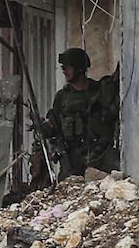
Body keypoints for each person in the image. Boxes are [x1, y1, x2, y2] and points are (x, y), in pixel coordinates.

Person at [43, 47, 119, 178]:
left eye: (67, 68)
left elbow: (110, 119)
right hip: (72, 158)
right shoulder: (62, 97)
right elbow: (55, 128)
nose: (64, 71)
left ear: (79, 68)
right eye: (63, 68)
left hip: (99, 155)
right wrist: (44, 129)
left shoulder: (99, 92)